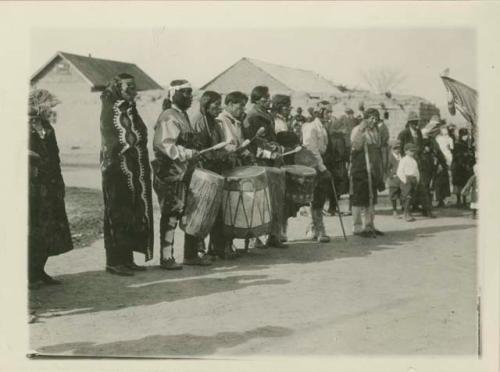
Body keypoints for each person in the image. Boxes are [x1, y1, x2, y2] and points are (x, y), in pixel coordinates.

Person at [152, 79, 211, 270]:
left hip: (185, 172)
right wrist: (185, 153)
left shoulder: (182, 115)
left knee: (190, 212)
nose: (190, 96)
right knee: (171, 215)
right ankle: (166, 257)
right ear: (174, 94)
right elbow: (164, 144)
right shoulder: (169, 116)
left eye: (190, 93)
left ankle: (190, 255)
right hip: (171, 173)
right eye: (185, 92)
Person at [99, 74, 154, 276]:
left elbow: (140, 133)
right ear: (117, 87)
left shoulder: (129, 108)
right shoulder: (109, 108)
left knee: (132, 212)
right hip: (116, 170)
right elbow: (112, 138)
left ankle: (127, 259)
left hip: (133, 169)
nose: (133, 89)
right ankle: (114, 261)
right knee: (117, 213)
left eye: (134, 85)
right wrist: (130, 145)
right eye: (128, 86)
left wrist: (136, 143)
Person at [28, 89, 73, 289]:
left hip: (51, 184)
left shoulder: (46, 127)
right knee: (33, 229)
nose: (50, 111)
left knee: (50, 228)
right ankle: (30, 273)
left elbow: (55, 157)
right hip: (32, 187)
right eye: (47, 107)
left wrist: (60, 182)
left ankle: (39, 269)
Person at [192, 90, 238, 260]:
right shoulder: (199, 122)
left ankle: (216, 248)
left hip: (215, 171)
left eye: (220, 104)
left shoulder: (214, 123)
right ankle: (198, 250)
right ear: (205, 104)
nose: (219, 108)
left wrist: (228, 152)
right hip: (204, 173)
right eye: (216, 104)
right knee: (202, 211)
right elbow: (201, 151)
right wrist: (223, 154)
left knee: (217, 211)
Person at [243, 86, 285, 248]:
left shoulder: (265, 114)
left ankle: (274, 235)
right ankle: (254, 237)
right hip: (261, 162)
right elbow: (253, 142)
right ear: (256, 99)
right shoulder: (252, 116)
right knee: (259, 201)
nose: (268, 99)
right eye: (264, 97)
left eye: (268, 96)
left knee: (274, 200)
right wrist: (272, 150)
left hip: (272, 161)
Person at [350, 108, 385, 238]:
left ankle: (369, 225)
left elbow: (377, 149)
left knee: (371, 197)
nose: (374, 121)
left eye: (376, 119)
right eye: (371, 118)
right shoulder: (357, 130)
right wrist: (361, 130)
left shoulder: (376, 131)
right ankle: (357, 227)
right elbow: (356, 145)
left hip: (372, 168)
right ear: (366, 118)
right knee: (359, 198)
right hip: (360, 167)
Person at [302, 101, 333, 242]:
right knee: (313, 198)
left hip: (322, 162)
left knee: (319, 198)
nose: (330, 115)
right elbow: (312, 150)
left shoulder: (323, 127)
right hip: (313, 165)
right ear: (319, 112)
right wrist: (322, 168)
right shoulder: (311, 127)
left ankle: (317, 228)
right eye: (327, 112)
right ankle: (315, 228)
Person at [324, 115, 349, 216]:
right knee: (336, 186)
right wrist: (347, 157)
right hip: (338, 165)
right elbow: (341, 152)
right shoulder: (338, 138)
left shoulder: (332, 136)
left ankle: (332, 207)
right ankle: (332, 208)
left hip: (334, 164)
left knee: (334, 186)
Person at [452, 128, 475, 207]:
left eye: (466, 135)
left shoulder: (467, 144)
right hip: (458, 166)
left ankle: (464, 200)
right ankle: (458, 200)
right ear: (460, 135)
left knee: (465, 182)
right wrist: (464, 156)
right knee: (458, 183)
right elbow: (457, 155)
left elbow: (470, 154)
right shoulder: (457, 144)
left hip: (465, 166)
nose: (465, 136)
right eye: (464, 135)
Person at [397, 143, 420, 222]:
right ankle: (405, 213)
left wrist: (417, 179)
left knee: (411, 197)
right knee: (407, 197)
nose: (412, 152)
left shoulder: (414, 160)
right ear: (406, 151)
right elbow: (399, 171)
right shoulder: (403, 160)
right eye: (411, 151)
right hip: (407, 179)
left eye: (414, 151)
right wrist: (405, 180)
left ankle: (408, 213)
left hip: (413, 179)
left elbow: (416, 171)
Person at [434, 121, 453, 207]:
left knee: (445, 180)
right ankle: (439, 199)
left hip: (446, 160)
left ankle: (444, 198)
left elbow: (450, 149)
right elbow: (436, 150)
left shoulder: (449, 139)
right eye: (442, 129)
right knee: (438, 180)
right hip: (439, 160)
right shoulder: (437, 138)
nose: (444, 132)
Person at [387, 141, 402, 218]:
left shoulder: (401, 156)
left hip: (402, 178)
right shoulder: (390, 157)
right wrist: (391, 176)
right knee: (393, 195)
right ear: (392, 149)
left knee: (403, 194)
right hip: (394, 179)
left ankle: (404, 210)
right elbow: (387, 169)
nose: (397, 150)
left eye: (398, 148)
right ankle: (394, 211)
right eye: (395, 148)